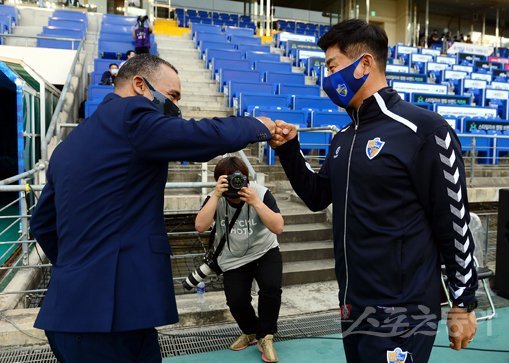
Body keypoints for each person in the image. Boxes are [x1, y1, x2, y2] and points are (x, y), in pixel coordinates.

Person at [30, 54, 284, 363]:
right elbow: (196, 137)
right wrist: (258, 126)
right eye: (173, 96)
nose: (175, 106)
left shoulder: (68, 146)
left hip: (71, 312)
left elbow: (42, 224)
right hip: (112, 318)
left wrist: (81, 267)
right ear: (140, 85)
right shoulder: (131, 114)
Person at [271, 19, 478, 363]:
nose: (327, 78)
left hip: (404, 310)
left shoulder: (424, 130)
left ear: (364, 63)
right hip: (353, 304)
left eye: (332, 66)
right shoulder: (344, 139)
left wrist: (464, 301)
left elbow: (453, 219)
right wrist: (290, 150)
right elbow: (316, 196)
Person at [195, 157, 284, 363]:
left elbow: (278, 227)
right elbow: (200, 226)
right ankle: (252, 331)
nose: (235, 192)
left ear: (245, 178)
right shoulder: (215, 197)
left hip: (264, 249)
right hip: (233, 255)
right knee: (236, 300)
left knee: (271, 288)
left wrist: (255, 202)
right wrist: (217, 194)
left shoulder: (260, 193)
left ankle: (266, 335)